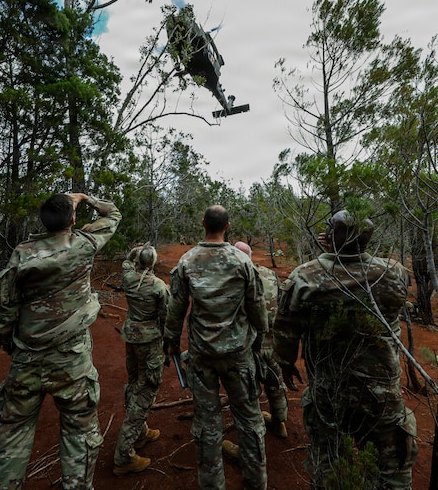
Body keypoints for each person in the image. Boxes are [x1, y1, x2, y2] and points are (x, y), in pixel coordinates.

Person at [273, 209, 417, 489]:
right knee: (391, 474)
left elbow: (286, 329)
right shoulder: (394, 272)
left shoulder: (305, 276)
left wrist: (286, 363)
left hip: (330, 391)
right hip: (381, 393)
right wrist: (345, 247)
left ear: (331, 236)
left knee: (329, 465)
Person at [0, 192, 121, 490]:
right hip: (72, 359)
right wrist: (85, 198)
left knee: (12, 436)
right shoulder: (83, 244)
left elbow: (3, 307)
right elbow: (113, 215)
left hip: (27, 359)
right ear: (72, 220)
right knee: (79, 432)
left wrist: (9, 343)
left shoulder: (22, 252)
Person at [163, 205, 269, 490]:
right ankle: (256, 483)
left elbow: (177, 308)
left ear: (202, 223)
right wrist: (260, 337)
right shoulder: (242, 261)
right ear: (228, 226)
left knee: (207, 425)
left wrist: (171, 342)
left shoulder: (187, 261)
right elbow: (258, 309)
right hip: (238, 356)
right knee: (249, 421)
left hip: (202, 356)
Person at [222, 242, 289, 464]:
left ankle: (248, 451)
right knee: (275, 380)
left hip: (248, 344)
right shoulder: (269, 274)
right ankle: (279, 422)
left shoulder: (234, 279)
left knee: (248, 393)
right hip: (272, 340)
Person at [113, 244, 170, 476]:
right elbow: (166, 317)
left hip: (132, 338)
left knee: (135, 381)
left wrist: (135, 252)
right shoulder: (158, 286)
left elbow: (126, 261)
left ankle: (140, 433)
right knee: (146, 389)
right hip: (150, 343)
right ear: (153, 263)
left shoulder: (128, 276)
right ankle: (124, 454)